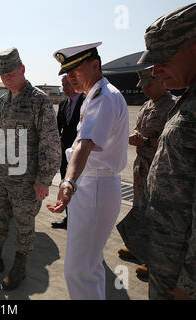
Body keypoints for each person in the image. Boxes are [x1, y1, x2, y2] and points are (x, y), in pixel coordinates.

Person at [117, 3, 196, 300]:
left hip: (181, 272)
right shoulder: (187, 97)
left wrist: (190, 282)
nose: (157, 70)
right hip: (167, 257)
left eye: (165, 57)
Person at [0, 48, 61, 290]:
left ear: (22, 69)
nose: (6, 77)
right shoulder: (3, 100)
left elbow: (50, 142)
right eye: (2, 74)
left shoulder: (39, 100)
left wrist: (44, 179)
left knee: (24, 222)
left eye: (10, 72)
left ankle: (19, 266)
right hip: (1, 176)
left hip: (26, 179)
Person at [47, 42, 129, 300]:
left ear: (95, 65)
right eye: (66, 72)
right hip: (92, 186)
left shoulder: (103, 97)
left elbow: (84, 144)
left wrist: (69, 180)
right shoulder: (94, 96)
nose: (70, 77)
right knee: (89, 267)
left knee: (79, 270)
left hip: (95, 186)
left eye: (75, 70)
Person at [117, 67, 176, 278]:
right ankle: (137, 248)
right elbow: (139, 129)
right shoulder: (146, 105)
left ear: (162, 81)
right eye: (142, 85)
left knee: (156, 214)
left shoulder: (173, 107)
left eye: (149, 84)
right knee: (139, 208)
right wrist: (135, 136)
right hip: (141, 167)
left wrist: (146, 141)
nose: (145, 88)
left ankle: (153, 260)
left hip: (160, 170)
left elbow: (173, 140)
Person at [51, 76, 85, 229]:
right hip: (65, 152)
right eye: (62, 84)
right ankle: (69, 218)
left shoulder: (86, 101)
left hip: (81, 153)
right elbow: (58, 124)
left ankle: (79, 218)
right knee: (66, 183)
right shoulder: (64, 103)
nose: (64, 87)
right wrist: (57, 140)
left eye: (67, 84)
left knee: (79, 186)